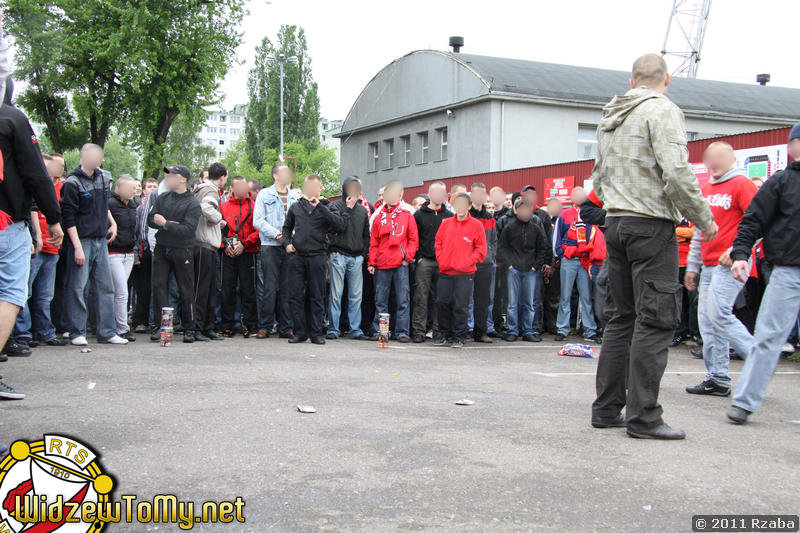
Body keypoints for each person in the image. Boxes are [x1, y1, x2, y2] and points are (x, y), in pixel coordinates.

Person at [591, 53, 716, 440]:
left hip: (615, 223)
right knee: (656, 320)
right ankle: (644, 417)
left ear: (632, 82)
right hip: (650, 224)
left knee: (621, 319)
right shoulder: (662, 110)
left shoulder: (611, 115)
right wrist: (705, 221)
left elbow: (596, 180)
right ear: (666, 81)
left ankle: (607, 409)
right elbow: (677, 171)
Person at [726, 123, 800, 424]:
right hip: (788, 271)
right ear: (792, 147)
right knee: (768, 337)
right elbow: (752, 221)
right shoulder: (781, 182)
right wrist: (741, 255)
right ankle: (744, 402)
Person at [0, 76, 64, 411]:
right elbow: (35, 172)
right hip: (5, 219)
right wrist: (53, 218)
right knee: (12, 293)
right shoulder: (11, 117)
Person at [683, 142, 757, 397]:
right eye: (709, 157)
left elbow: (758, 223)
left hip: (732, 265)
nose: (713, 161)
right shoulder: (705, 188)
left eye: (719, 156)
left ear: (732, 158)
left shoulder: (742, 184)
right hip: (708, 265)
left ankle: (759, 360)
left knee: (719, 315)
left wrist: (739, 251)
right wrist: (692, 267)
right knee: (707, 322)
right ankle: (717, 378)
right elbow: (699, 232)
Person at [60, 144, 128, 346]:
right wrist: (77, 246)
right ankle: (76, 331)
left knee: (106, 287)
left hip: (100, 239)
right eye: (95, 156)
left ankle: (107, 331)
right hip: (81, 239)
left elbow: (103, 204)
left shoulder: (104, 177)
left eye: (100, 156)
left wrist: (112, 222)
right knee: (78, 287)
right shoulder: (72, 182)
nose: (99, 160)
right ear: (84, 155)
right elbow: (68, 217)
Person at [283, 174, 347, 344]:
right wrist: (287, 243)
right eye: (308, 187)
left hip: (318, 256)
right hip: (297, 257)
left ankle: (316, 333)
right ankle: (299, 332)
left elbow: (339, 225)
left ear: (320, 189)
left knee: (317, 295)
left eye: (314, 187)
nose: (310, 190)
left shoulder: (328, 206)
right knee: (296, 295)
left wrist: (320, 206)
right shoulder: (296, 207)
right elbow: (286, 227)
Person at [13, 155, 68, 349]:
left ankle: (45, 332)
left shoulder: (60, 188)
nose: (58, 168)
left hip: (52, 247)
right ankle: (22, 333)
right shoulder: (30, 187)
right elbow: (31, 212)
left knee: (45, 295)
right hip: (35, 245)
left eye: (60, 166)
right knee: (23, 292)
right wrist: (35, 237)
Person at [147, 165, 202, 343]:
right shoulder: (163, 197)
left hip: (182, 249)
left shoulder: (192, 203)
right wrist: (168, 224)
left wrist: (165, 223)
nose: (168, 178)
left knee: (185, 289)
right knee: (159, 287)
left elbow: (188, 230)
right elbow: (151, 219)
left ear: (183, 179)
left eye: (172, 175)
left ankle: (189, 328)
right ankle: (161, 326)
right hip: (162, 248)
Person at [434, 193, 487, 348]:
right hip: (445, 271)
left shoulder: (476, 225)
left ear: (469, 206)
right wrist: (442, 259)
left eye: (464, 204)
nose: (461, 207)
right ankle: (444, 334)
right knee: (442, 302)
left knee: (460, 305)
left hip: (465, 273)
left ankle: (459, 336)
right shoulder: (446, 223)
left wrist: (467, 262)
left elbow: (481, 249)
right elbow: (438, 243)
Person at [368, 180, 418, 342]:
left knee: (403, 300)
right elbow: (374, 243)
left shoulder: (407, 215)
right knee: (380, 301)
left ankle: (402, 332)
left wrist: (407, 258)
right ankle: (380, 331)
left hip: (400, 265)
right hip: (382, 264)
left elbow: (413, 240)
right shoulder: (378, 217)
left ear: (399, 195)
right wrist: (372, 262)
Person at [253, 163, 299, 339]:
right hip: (270, 246)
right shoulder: (265, 194)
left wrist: (290, 236)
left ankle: (286, 327)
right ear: (275, 176)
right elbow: (258, 220)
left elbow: (299, 221)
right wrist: (277, 234)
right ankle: (265, 326)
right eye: (284, 172)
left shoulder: (295, 196)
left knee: (287, 288)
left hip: (289, 247)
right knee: (269, 287)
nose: (287, 174)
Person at [497, 198, 549, 342]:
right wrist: (509, 265)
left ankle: (528, 331)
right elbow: (502, 248)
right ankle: (513, 330)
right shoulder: (509, 227)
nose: (526, 212)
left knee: (529, 303)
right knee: (512, 303)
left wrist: (535, 266)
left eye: (528, 209)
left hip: (531, 270)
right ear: (516, 210)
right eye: (523, 209)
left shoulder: (536, 228)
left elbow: (542, 248)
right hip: (513, 270)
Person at [553, 187, 600, 343]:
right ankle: (562, 328)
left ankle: (590, 329)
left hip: (585, 260)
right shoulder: (565, 215)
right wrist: (562, 256)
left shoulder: (592, 214)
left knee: (586, 297)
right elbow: (557, 239)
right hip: (569, 260)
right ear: (572, 197)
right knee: (565, 296)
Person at [327, 176, 371, 340]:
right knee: (336, 294)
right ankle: (333, 328)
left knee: (355, 296)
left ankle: (355, 329)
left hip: (356, 257)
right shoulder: (335, 206)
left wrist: (363, 254)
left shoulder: (362, 210)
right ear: (344, 189)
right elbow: (336, 227)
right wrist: (348, 208)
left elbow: (366, 235)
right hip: (338, 254)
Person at [219, 176, 260, 337]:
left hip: (247, 252)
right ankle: (227, 324)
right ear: (232, 189)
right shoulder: (223, 207)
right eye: (240, 186)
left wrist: (245, 244)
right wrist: (225, 246)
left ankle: (250, 324)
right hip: (228, 253)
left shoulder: (254, 206)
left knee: (248, 290)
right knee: (227, 289)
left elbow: (258, 229)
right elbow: (218, 229)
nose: (244, 189)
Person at [411, 182, 451, 343]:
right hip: (425, 261)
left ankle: (438, 331)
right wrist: (418, 256)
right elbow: (414, 237)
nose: (438, 196)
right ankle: (419, 331)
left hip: (443, 263)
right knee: (421, 297)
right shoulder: (419, 215)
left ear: (445, 195)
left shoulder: (449, 216)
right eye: (435, 193)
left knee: (440, 299)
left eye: (442, 193)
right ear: (429, 194)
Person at [193, 162, 227, 341]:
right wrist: (219, 218)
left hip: (205, 245)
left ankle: (207, 326)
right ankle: (198, 328)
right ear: (222, 177)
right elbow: (206, 208)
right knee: (203, 289)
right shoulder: (211, 190)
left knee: (208, 289)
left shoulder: (200, 189)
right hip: (204, 244)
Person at [107, 175, 139, 342]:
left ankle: (114, 324)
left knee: (119, 290)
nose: (132, 191)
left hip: (129, 253)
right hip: (113, 252)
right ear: (117, 189)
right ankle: (121, 327)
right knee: (121, 291)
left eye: (134, 188)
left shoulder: (135, 204)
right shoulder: (110, 204)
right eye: (129, 188)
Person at [468, 182, 497, 343]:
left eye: (483, 193)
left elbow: (493, 240)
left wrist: (491, 256)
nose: (481, 196)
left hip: (486, 264)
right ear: (471, 195)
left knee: (484, 300)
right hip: (469, 263)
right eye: (477, 193)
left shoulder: (489, 218)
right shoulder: (467, 215)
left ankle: (481, 331)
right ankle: (468, 328)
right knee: (468, 298)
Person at [131, 178, 158, 332]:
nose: (152, 189)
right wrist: (137, 252)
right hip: (143, 249)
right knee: (142, 288)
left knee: (154, 286)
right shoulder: (140, 208)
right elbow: (139, 231)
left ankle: (150, 319)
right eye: (149, 186)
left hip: (155, 249)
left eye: (155, 186)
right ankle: (139, 320)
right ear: (144, 190)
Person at [543, 198, 564, 335]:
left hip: (557, 263)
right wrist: (545, 263)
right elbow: (544, 244)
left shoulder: (560, 221)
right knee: (540, 297)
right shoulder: (543, 220)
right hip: (544, 263)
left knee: (555, 297)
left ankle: (553, 325)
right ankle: (541, 325)